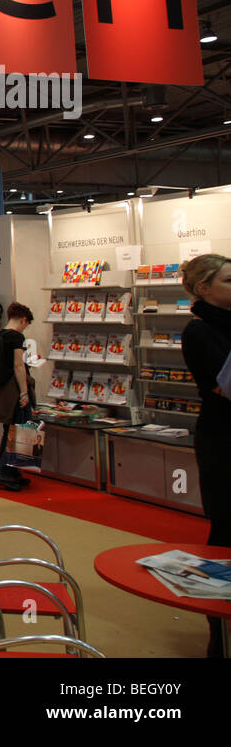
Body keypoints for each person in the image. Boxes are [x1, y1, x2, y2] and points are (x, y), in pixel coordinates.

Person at [179, 254, 231, 657]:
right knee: (226, 532)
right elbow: (222, 386)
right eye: (229, 280)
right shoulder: (198, 332)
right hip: (223, 440)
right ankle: (221, 629)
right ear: (204, 288)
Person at [0, 301, 35, 491]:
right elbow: (18, 365)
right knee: (20, 429)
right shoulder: (16, 337)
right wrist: (24, 392)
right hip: (14, 390)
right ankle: (4, 471)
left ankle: (11, 471)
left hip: (2, 391)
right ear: (23, 320)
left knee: (10, 430)